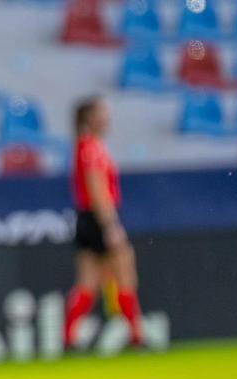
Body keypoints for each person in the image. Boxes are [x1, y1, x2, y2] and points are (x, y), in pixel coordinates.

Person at [64, 95, 144, 349]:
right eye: (102, 112)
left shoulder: (82, 146)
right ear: (90, 118)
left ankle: (68, 338)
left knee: (88, 282)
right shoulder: (91, 148)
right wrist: (110, 225)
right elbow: (97, 188)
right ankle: (136, 337)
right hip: (99, 218)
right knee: (124, 274)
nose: (107, 118)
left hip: (85, 218)